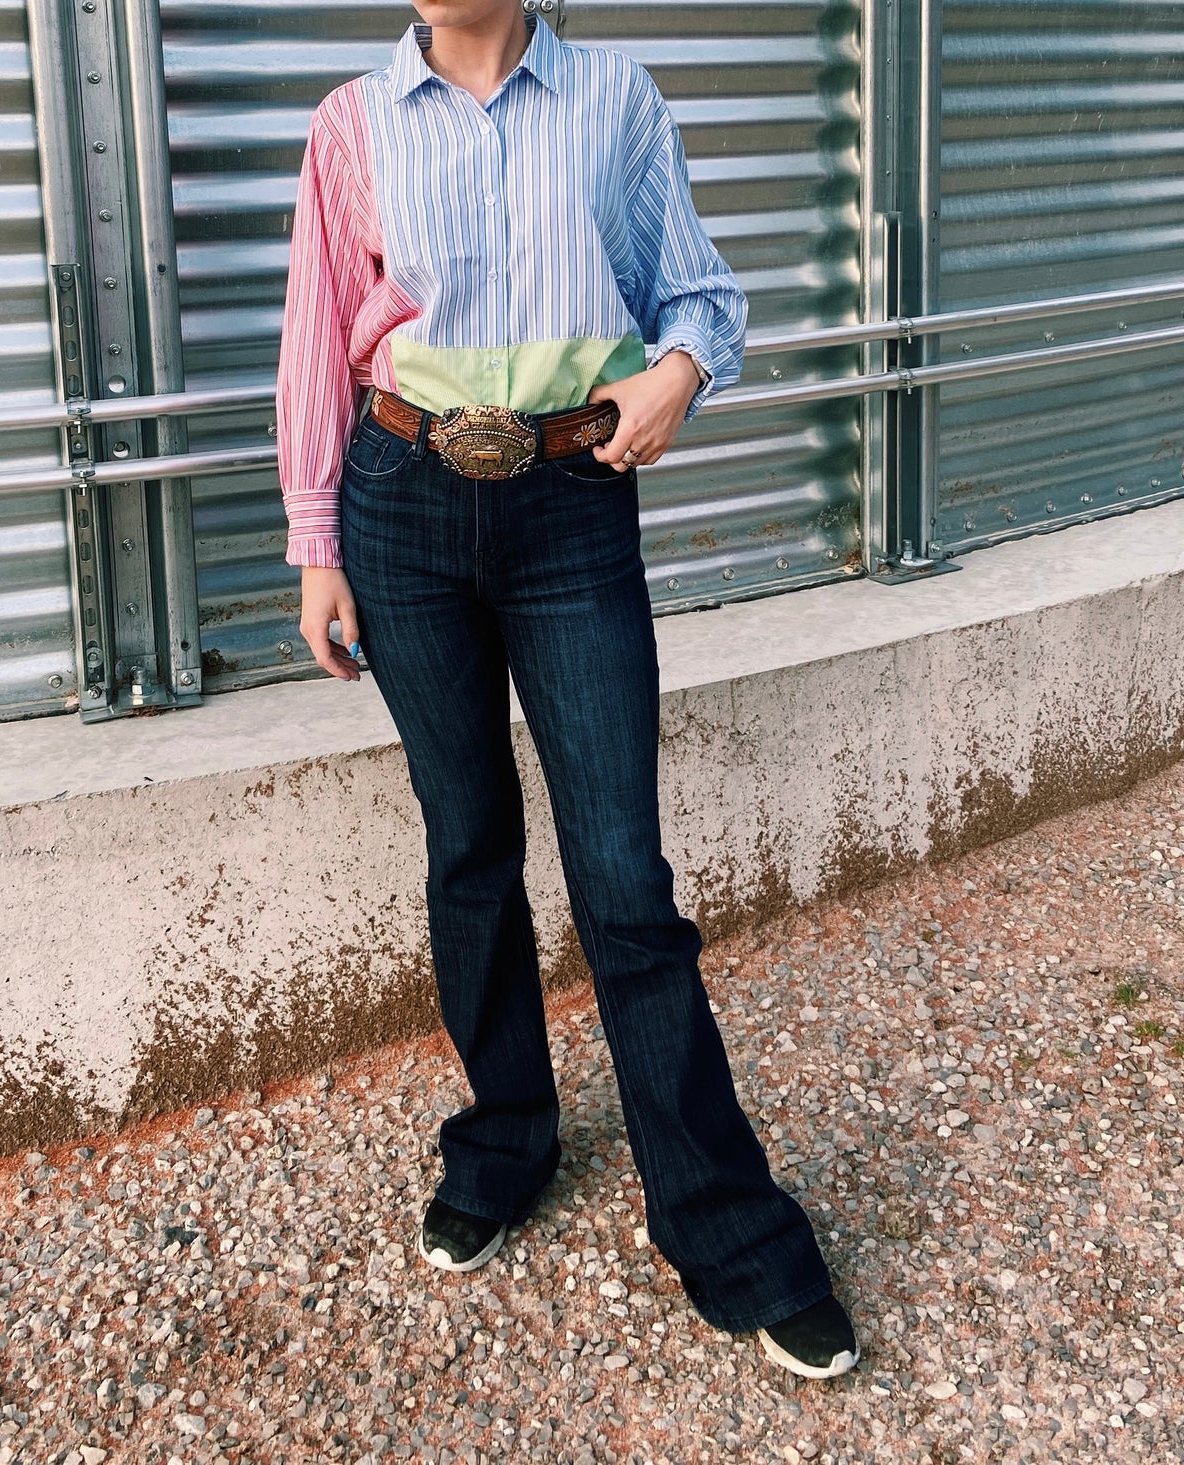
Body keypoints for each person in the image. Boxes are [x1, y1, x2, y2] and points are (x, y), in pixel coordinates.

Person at [275, 0, 859, 1380]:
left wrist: (673, 379)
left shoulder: (614, 98)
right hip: (401, 504)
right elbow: (314, 336)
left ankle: (728, 1229)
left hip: (569, 508)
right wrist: (315, 546)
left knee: (621, 875)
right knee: (467, 846)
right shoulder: (350, 124)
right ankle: (503, 1141)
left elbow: (701, 294)